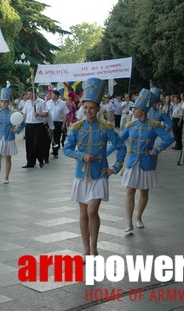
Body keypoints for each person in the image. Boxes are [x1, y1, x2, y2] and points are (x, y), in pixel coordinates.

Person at [63, 78, 126, 258]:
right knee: (83, 213)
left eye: (91, 108)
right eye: (85, 108)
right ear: (82, 109)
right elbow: (66, 149)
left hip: (99, 175)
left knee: (92, 211)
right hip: (81, 175)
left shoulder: (106, 128)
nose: (88, 111)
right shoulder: (76, 127)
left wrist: (115, 167)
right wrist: (81, 156)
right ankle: (86, 249)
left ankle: (94, 246)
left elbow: (121, 147)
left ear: (98, 109)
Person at [116, 88, 174, 232]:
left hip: (147, 162)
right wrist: (104, 151)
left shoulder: (153, 125)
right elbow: (118, 141)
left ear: (141, 110)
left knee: (144, 191)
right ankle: (128, 222)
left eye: (135, 109)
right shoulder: (131, 126)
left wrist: (155, 150)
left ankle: (138, 218)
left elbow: (169, 138)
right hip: (132, 161)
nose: (133, 111)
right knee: (130, 190)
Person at [0, 82, 25, 185]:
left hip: (9, 137)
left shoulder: (13, 113)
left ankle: (6, 177)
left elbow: (23, 123)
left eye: (6, 102)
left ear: (9, 102)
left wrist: (16, 131)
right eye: (2, 102)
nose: (4, 104)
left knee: (8, 157)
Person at [21, 88, 49, 168]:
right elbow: (24, 114)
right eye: (28, 94)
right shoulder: (27, 103)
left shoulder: (41, 102)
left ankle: (40, 159)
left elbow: (46, 113)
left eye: (30, 94)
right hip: (29, 125)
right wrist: (21, 122)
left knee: (37, 143)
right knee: (28, 144)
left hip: (38, 125)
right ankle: (30, 162)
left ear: (35, 94)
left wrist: (39, 114)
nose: (29, 96)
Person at [47, 89, 69, 157]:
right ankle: (46, 152)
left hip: (58, 122)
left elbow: (65, 114)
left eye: (52, 94)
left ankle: (55, 152)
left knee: (57, 137)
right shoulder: (48, 103)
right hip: (49, 122)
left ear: (56, 96)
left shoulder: (62, 103)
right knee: (48, 137)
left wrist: (64, 124)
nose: (51, 95)